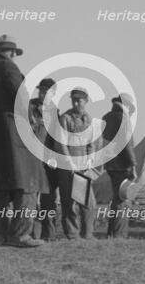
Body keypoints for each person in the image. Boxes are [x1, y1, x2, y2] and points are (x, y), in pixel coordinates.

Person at [0, 35, 46, 247]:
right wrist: (32, 118)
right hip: (15, 135)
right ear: (12, 53)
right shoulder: (10, 68)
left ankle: (0, 235)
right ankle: (21, 235)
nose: (15, 56)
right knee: (27, 186)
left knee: (0, 189)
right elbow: (21, 97)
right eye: (14, 52)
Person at [55, 87, 98, 240]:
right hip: (68, 165)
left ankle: (87, 234)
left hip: (83, 165)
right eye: (73, 99)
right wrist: (69, 163)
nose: (75, 103)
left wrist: (90, 159)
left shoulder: (88, 118)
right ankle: (73, 235)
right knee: (69, 202)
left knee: (88, 201)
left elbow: (91, 142)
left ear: (86, 101)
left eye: (79, 100)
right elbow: (61, 143)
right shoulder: (64, 119)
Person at [101, 93, 137, 239]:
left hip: (109, 164)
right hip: (122, 165)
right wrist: (133, 165)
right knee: (123, 200)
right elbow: (126, 144)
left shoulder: (106, 117)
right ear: (127, 106)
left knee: (116, 199)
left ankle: (112, 232)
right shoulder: (124, 118)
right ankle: (119, 233)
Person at [29, 78, 59, 241]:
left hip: (48, 161)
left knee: (48, 198)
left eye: (46, 92)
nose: (42, 94)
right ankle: (31, 233)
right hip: (30, 158)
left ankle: (49, 234)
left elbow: (56, 137)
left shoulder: (54, 111)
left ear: (53, 94)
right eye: (40, 91)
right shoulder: (29, 107)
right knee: (31, 196)